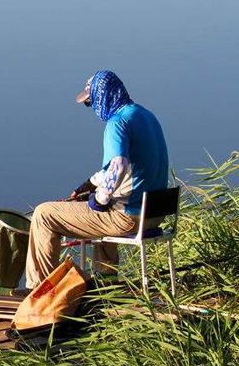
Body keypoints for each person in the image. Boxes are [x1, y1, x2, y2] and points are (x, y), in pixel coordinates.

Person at [25, 70, 169, 288]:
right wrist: (89, 185)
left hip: (129, 219)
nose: (92, 107)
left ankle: (40, 290)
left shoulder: (117, 122)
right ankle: (107, 284)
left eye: (90, 102)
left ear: (103, 96)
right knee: (104, 209)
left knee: (43, 214)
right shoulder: (145, 115)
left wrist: (99, 199)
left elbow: (118, 165)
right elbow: (124, 166)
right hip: (154, 214)